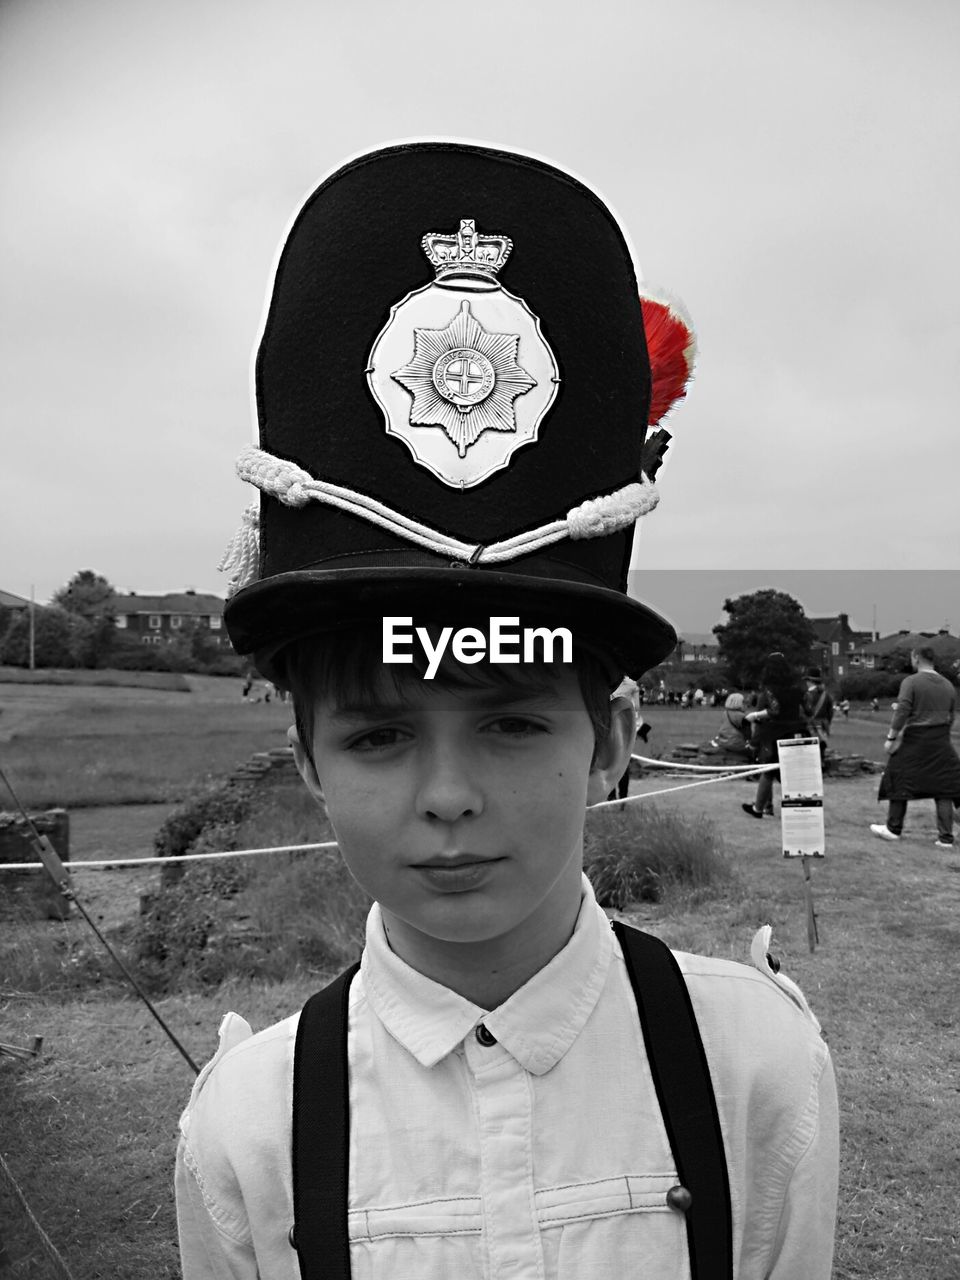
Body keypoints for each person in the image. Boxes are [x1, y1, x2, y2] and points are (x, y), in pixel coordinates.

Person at [177, 140, 838, 1279]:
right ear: (307, 761)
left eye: (514, 719)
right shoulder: (249, 1122)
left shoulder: (757, 1064)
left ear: (613, 740)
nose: (448, 797)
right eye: (378, 733)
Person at [870, 645, 960, 848]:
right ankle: (946, 837)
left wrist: (891, 738)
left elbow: (902, 710)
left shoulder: (910, 682)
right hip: (941, 738)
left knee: (898, 775)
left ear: (917, 659)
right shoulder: (948, 685)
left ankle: (893, 828)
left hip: (916, 736)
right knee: (944, 786)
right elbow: (951, 716)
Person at [741, 654, 811, 819]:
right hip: (797, 732)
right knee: (793, 774)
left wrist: (755, 715)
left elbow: (775, 710)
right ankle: (797, 808)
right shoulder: (798, 687)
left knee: (769, 771)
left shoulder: (769, 689)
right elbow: (809, 710)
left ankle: (759, 808)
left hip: (776, 734)